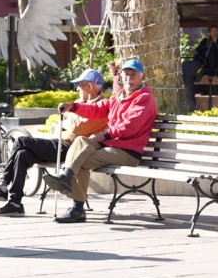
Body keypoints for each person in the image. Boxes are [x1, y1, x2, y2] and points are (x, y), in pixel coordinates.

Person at [0, 68, 109, 216]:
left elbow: (77, 128)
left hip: (72, 150)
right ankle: (15, 203)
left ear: (90, 87)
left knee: (21, 141)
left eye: (79, 85)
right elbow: (54, 126)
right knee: (22, 153)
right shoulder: (78, 103)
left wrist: (66, 122)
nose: (77, 89)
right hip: (59, 144)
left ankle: (2, 185)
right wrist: (66, 123)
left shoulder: (102, 106)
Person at [43, 58, 158, 223]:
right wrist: (73, 107)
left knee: (80, 158)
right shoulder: (119, 96)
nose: (129, 79)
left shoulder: (144, 98)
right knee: (81, 142)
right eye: (126, 75)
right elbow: (98, 109)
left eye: (133, 75)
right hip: (112, 145)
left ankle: (76, 207)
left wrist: (104, 135)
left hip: (128, 151)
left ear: (142, 76)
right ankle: (65, 179)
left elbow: (130, 127)